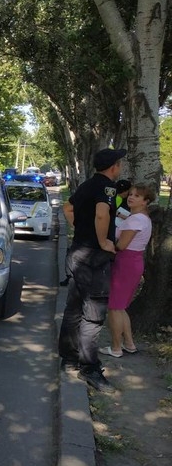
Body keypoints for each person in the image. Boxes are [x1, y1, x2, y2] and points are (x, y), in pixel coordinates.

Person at [58, 147, 125, 393]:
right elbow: (101, 214)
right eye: (120, 164)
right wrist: (103, 241)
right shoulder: (107, 187)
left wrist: (79, 228)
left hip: (77, 253)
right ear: (113, 167)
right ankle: (89, 367)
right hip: (94, 258)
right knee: (93, 314)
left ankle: (69, 359)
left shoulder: (87, 185)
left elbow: (68, 208)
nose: (121, 168)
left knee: (73, 309)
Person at [99, 184, 155, 358]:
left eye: (137, 196)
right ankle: (129, 344)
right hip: (133, 262)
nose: (131, 197)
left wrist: (106, 243)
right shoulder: (139, 217)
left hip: (126, 263)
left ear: (145, 202)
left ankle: (116, 348)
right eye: (130, 194)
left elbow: (121, 245)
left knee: (114, 307)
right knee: (121, 307)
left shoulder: (136, 220)